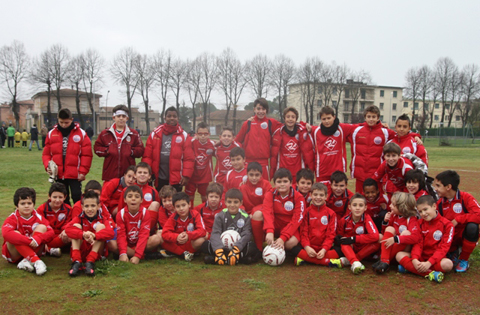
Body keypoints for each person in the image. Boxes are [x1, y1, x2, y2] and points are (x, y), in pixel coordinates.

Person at [396, 195, 454, 283]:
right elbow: (418, 243)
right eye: (420, 211)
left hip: (436, 259)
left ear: (434, 206)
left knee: (448, 264)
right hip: (420, 257)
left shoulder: (447, 225)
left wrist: (429, 262)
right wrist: (415, 259)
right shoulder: (419, 223)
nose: (423, 213)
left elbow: (444, 248)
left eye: (425, 209)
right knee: (399, 255)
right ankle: (431, 274)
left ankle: (410, 269)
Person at [42, 108, 93, 205]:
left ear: (71, 120)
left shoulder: (81, 133)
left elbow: (87, 155)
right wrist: (47, 166)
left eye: (66, 122)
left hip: (75, 174)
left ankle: (78, 216)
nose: (64, 125)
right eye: (61, 122)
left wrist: (83, 171)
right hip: (58, 173)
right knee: (62, 199)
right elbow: (46, 154)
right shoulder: (51, 134)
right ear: (58, 120)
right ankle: (65, 218)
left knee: (76, 196)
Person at [434, 170, 480, 272]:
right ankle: (452, 251)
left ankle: (463, 259)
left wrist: (458, 219)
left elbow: (478, 215)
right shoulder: (440, 203)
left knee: (473, 227)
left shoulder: (466, 198)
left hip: (462, 234)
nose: (435, 189)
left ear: (448, 187)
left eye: (438, 186)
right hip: (449, 236)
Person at [2, 187, 54, 276]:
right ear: (16, 206)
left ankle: (26, 261)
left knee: (42, 227)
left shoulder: (38, 217)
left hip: (33, 248)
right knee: (15, 234)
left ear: (33, 204)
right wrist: (29, 241)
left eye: (29, 203)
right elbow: (5, 233)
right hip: (16, 254)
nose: (26, 206)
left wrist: (38, 238)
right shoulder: (13, 218)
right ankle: (36, 261)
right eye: (23, 203)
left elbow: (51, 232)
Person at [201, 188, 261, 265]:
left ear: (241, 203)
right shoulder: (220, 215)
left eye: (236, 202)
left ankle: (217, 259)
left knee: (252, 247)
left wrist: (236, 249)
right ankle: (237, 258)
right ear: (225, 202)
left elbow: (247, 234)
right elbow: (215, 233)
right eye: (229, 202)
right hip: (222, 246)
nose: (232, 205)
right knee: (205, 245)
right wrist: (219, 250)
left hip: (239, 247)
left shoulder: (245, 216)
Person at [251, 168, 306, 252]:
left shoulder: (298, 197)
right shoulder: (270, 194)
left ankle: (280, 252)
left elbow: (297, 220)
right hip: (274, 225)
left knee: (290, 243)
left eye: (285, 181)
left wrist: (283, 238)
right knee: (257, 214)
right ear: (274, 183)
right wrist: (269, 231)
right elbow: (267, 212)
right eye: (279, 182)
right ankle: (258, 249)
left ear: (291, 183)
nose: (282, 184)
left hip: (289, 227)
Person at [142, 106, 194, 192]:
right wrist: (147, 173)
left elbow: (188, 158)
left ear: (178, 118)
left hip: (177, 178)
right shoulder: (155, 134)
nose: (172, 118)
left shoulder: (184, 135)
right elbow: (147, 156)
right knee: (160, 201)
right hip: (159, 177)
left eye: (174, 116)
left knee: (175, 202)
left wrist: (186, 175)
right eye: (169, 116)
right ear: (164, 117)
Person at [291, 183, 342, 268]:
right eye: (315, 194)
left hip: (325, 249)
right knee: (294, 249)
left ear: (326, 196)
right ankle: (328, 262)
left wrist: (324, 249)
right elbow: (304, 232)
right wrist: (307, 247)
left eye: (321, 195)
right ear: (311, 195)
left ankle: (306, 260)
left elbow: (331, 234)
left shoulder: (331, 214)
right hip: (309, 248)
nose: (318, 197)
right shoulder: (306, 212)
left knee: (340, 250)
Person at [347, 105, 396, 193]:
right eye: (369, 116)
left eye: (374, 117)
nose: (371, 119)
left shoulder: (386, 132)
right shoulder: (356, 130)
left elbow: (402, 135)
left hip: (377, 174)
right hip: (360, 174)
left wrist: (415, 136)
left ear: (378, 118)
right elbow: (340, 128)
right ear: (365, 117)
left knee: (377, 199)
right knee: (360, 199)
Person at [66, 190, 114, 277]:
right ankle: (76, 261)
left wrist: (95, 236)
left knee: (101, 227)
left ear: (98, 206)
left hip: (96, 253)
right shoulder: (79, 218)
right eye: (87, 206)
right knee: (76, 226)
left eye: (93, 206)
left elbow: (111, 233)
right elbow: (67, 229)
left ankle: (90, 261)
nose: (90, 209)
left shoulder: (102, 219)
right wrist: (83, 234)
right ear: (82, 207)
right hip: (82, 250)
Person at [109, 185, 162, 264]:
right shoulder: (121, 214)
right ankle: (143, 256)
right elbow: (121, 235)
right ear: (125, 200)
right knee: (111, 244)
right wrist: (123, 253)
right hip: (126, 244)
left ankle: (133, 254)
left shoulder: (145, 213)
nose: (133, 199)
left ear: (141, 200)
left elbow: (143, 235)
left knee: (156, 239)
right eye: (130, 196)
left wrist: (137, 255)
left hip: (140, 243)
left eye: (137, 197)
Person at [372, 192, 421, 273]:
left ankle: (384, 260)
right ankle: (384, 261)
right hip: (391, 249)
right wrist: (385, 222)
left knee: (406, 233)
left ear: (402, 207)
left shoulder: (411, 219)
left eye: (393, 205)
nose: (390, 206)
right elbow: (385, 234)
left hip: (403, 251)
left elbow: (415, 238)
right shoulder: (394, 216)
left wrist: (396, 239)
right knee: (390, 228)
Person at [94, 105, 144, 182]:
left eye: (123, 116)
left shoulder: (134, 134)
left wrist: (131, 151)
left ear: (127, 118)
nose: (121, 118)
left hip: (128, 174)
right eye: (118, 116)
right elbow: (97, 148)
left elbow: (140, 150)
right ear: (114, 117)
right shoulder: (105, 133)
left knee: (128, 193)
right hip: (110, 173)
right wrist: (107, 151)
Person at [235, 98, 282, 180]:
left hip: (263, 163)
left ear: (267, 110)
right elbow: (237, 141)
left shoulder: (271, 123)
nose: (261, 111)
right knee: (248, 188)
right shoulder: (248, 123)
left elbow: (287, 126)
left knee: (264, 188)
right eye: (258, 108)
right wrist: (243, 151)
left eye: (263, 109)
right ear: (254, 109)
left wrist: (304, 125)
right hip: (248, 162)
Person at [308, 106, 357, 183]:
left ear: (334, 117)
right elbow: (302, 128)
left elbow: (359, 127)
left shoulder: (342, 128)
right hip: (322, 171)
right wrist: (304, 124)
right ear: (320, 119)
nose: (327, 121)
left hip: (338, 170)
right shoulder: (315, 131)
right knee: (322, 193)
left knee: (338, 192)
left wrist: (379, 125)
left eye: (329, 118)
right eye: (324, 119)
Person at [335, 193, 380, 274]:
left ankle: (352, 260)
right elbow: (339, 235)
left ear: (365, 208)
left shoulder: (367, 218)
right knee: (343, 243)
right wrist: (339, 238)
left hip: (363, 247)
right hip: (351, 247)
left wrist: (354, 239)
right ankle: (355, 262)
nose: (357, 208)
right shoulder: (344, 220)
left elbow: (375, 236)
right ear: (350, 207)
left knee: (378, 240)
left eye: (360, 205)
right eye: (355, 205)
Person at [270, 107, 314, 183]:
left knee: (298, 193)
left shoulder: (302, 131)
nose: (290, 119)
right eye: (288, 117)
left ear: (296, 119)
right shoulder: (278, 132)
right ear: (284, 118)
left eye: (293, 117)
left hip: (298, 170)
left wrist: (305, 124)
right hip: (283, 170)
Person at [160, 192, 207, 261]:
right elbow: (165, 233)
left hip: (190, 242)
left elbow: (202, 231)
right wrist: (176, 237)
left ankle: (175, 252)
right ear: (174, 208)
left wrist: (188, 235)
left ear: (189, 204)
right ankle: (183, 253)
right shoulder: (173, 217)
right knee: (160, 236)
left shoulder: (195, 214)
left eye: (183, 205)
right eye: (178, 206)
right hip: (177, 242)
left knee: (202, 240)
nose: (181, 209)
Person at [117, 162, 160, 234]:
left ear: (149, 176)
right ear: (135, 175)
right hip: (130, 222)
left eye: (145, 173)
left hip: (146, 224)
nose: (142, 174)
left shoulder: (153, 192)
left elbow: (157, 213)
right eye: (140, 172)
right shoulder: (127, 190)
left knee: (155, 204)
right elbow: (121, 209)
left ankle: (147, 233)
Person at [35, 183, 72, 257]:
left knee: (71, 233)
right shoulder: (41, 209)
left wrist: (65, 230)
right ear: (49, 196)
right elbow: (39, 225)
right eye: (54, 197)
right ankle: (50, 249)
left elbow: (70, 223)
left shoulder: (68, 209)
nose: (57, 200)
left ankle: (49, 249)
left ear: (65, 197)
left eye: (60, 197)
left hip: (61, 237)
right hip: (47, 237)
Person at [185, 122, 215, 208]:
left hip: (204, 177)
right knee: (190, 196)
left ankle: (203, 212)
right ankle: (190, 213)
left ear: (209, 134)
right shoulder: (192, 142)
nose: (203, 136)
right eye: (200, 134)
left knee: (205, 196)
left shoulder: (212, 144)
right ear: (196, 134)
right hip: (192, 175)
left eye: (205, 134)